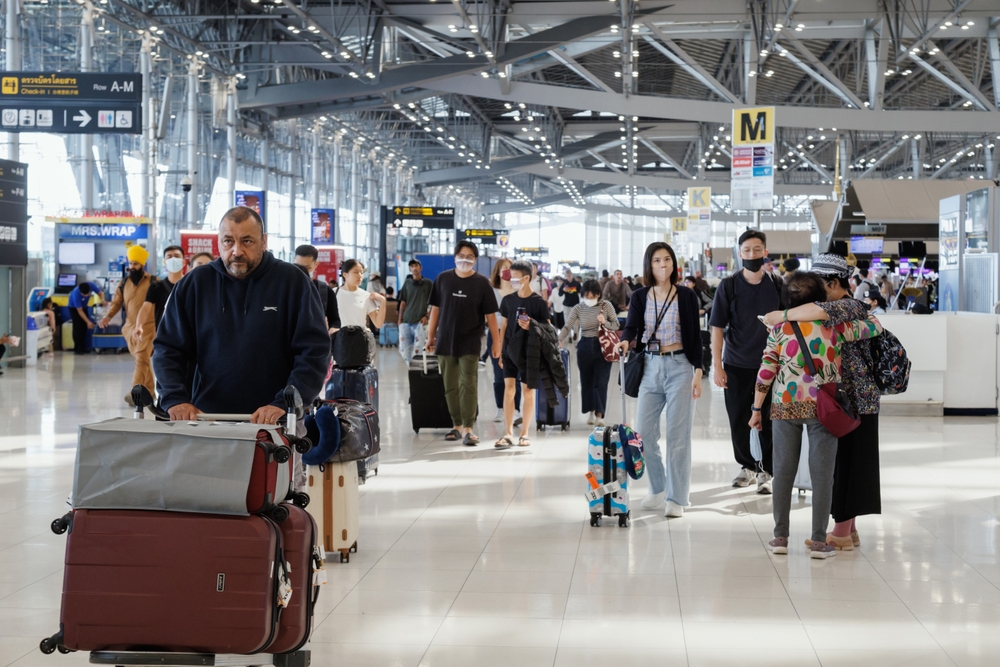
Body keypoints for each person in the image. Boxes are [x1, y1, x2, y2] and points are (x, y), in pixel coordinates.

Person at [153, 206, 330, 423]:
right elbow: (168, 348)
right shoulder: (195, 284)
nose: (237, 251)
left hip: (277, 420)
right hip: (206, 418)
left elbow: (314, 351)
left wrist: (285, 404)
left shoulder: (293, 282)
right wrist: (175, 398)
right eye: (228, 241)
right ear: (219, 242)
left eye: (247, 241)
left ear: (263, 241)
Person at [751, 272, 881, 559]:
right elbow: (875, 326)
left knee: (783, 472)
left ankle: (780, 537)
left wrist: (756, 408)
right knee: (823, 476)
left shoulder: (779, 330)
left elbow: (766, 370)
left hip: (785, 406)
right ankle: (820, 542)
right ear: (820, 300)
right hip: (825, 407)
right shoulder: (835, 328)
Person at [616, 242, 703, 518]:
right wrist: (625, 341)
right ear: (649, 265)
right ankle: (658, 488)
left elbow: (695, 336)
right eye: (656, 260)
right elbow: (631, 326)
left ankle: (677, 498)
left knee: (678, 437)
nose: (662, 265)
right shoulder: (640, 296)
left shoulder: (686, 296)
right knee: (643, 434)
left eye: (667, 259)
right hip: (650, 367)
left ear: (673, 264)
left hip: (680, 366)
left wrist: (698, 371)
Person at [709, 229, 783, 494]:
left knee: (770, 418)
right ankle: (747, 466)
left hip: (772, 365)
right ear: (740, 253)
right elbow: (717, 328)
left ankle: (767, 471)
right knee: (739, 417)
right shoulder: (728, 286)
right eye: (747, 250)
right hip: (737, 363)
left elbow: (789, 319)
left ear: (765, 252)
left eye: (757, 249)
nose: (752, 254)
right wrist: (717, 366)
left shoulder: (777, 284)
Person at [426, 241, 501, 446]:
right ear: (454, 257)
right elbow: (435, 310)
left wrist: (497, 343)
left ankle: (469, 427)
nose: (464, 260)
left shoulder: (482, 283)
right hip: (445, 340)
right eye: (461, 255)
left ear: (475, 259)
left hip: (470, 340)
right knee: (450, 385)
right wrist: (431, 336)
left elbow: (491, 316)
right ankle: (456, 425)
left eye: (469, 257)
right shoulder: (443, 279)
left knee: (468, 383)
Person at [495, 261, 550, 448]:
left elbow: (548, 329)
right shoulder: (508, 300)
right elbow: (504, 326)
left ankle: (525, 433)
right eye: (511, 276)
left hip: (530, 352)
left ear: (526, 278)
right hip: (510, 350)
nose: (511, 280)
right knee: (509, 389)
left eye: (515, 276)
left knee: (528, 391)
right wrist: (501, 350)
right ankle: (508, 433)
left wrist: (532, 326)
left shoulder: (538, 302)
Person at [100, 245, 158, 402]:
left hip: (149, 327)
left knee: (141, 358)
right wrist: (108, 317)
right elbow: (116, 303)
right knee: (143, 359)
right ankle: (150, 391)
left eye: (135, 264)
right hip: (130, 328)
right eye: (130, 263)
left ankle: (135, 393)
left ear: (142, 265)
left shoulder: (154, 282)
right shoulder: (124, 282)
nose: (132, 267)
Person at [559, 279, 618, 427]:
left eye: (592, 296)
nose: (589, 299)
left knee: (601, 382)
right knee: (587, 382)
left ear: (598, 294)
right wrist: (559, 339)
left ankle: (600, 415)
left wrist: (604, 322)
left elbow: (616, 325)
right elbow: (568, 326)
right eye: (586, 296)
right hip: (585, 346)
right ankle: (591, 411)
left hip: (603, 346)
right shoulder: (579, 308)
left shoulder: (606, 306)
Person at [133, 245, 186, 349]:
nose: (173, 259)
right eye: (169, 257)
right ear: (164, 262)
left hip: (188, 337)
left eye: (177, 256)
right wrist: (139, 325)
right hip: (164, 338)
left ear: (183, 262)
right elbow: (146, 307)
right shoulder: (156, 286)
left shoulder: (191, 285)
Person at [487, 258, 521, 423]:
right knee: (499, 375)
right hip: (496, 333)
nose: (508, 270)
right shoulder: (491, 291)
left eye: (510, 267)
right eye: (504, 268)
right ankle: (501, 408)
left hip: (515, 334)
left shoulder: (518, 290)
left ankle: (516, 410)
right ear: (498, 272)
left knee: (515, 375)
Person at [292, 245, 342, 335]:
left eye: (307, 268)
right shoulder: (283, 288)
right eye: (298, 266)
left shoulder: (325, 291)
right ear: (293, 261)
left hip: (314, 340)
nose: (301, 271)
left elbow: (335, 321)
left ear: (316, 265)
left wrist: (332, 329)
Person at [397, 258, 433, 366]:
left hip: (420, 323)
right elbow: (403, 302)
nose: (414, 268)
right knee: (404, 351)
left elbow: (434, 303)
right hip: (406, 321)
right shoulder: (407, 283)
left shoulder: (428, 284)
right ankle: (411, 369)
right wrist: (399, 320)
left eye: (416, 265)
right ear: (409, 269)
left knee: (418, 351)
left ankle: (416, 370)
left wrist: (427, 316)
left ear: (421, 267)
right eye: (412, 266)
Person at [336, 259, 386, 329]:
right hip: (338, 335)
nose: (360, 276)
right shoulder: (334, 293)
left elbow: (378, 324)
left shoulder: (366, 296)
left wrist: (383, 300)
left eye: (361, 272)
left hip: (359, 335)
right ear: (345, 274)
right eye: (356, 272)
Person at [67, 280, 104, 354]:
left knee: (84, 326)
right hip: (74, 309)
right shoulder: (76, 294)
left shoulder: (91, 285)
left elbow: (100, 293)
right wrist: (88, 321)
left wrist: (102, 300)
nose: (87, 296)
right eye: (84, 295)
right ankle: (78, 348)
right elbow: (80, 311)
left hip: (84, 307)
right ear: (80, 292)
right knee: (78, 327)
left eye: (88, 294)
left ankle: (83, 347)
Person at [560, 268, 583, 340]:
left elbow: (581, 292)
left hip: (575, 305)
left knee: (576, 321)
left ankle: (575, 333)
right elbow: (560, 294)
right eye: (567, 276)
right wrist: (563, 290)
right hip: (566, 305)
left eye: (569, 275)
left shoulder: (577, 283)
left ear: (572, 275)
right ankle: (569, 336)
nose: (568, 277)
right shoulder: (564, 284)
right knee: (567, 321)